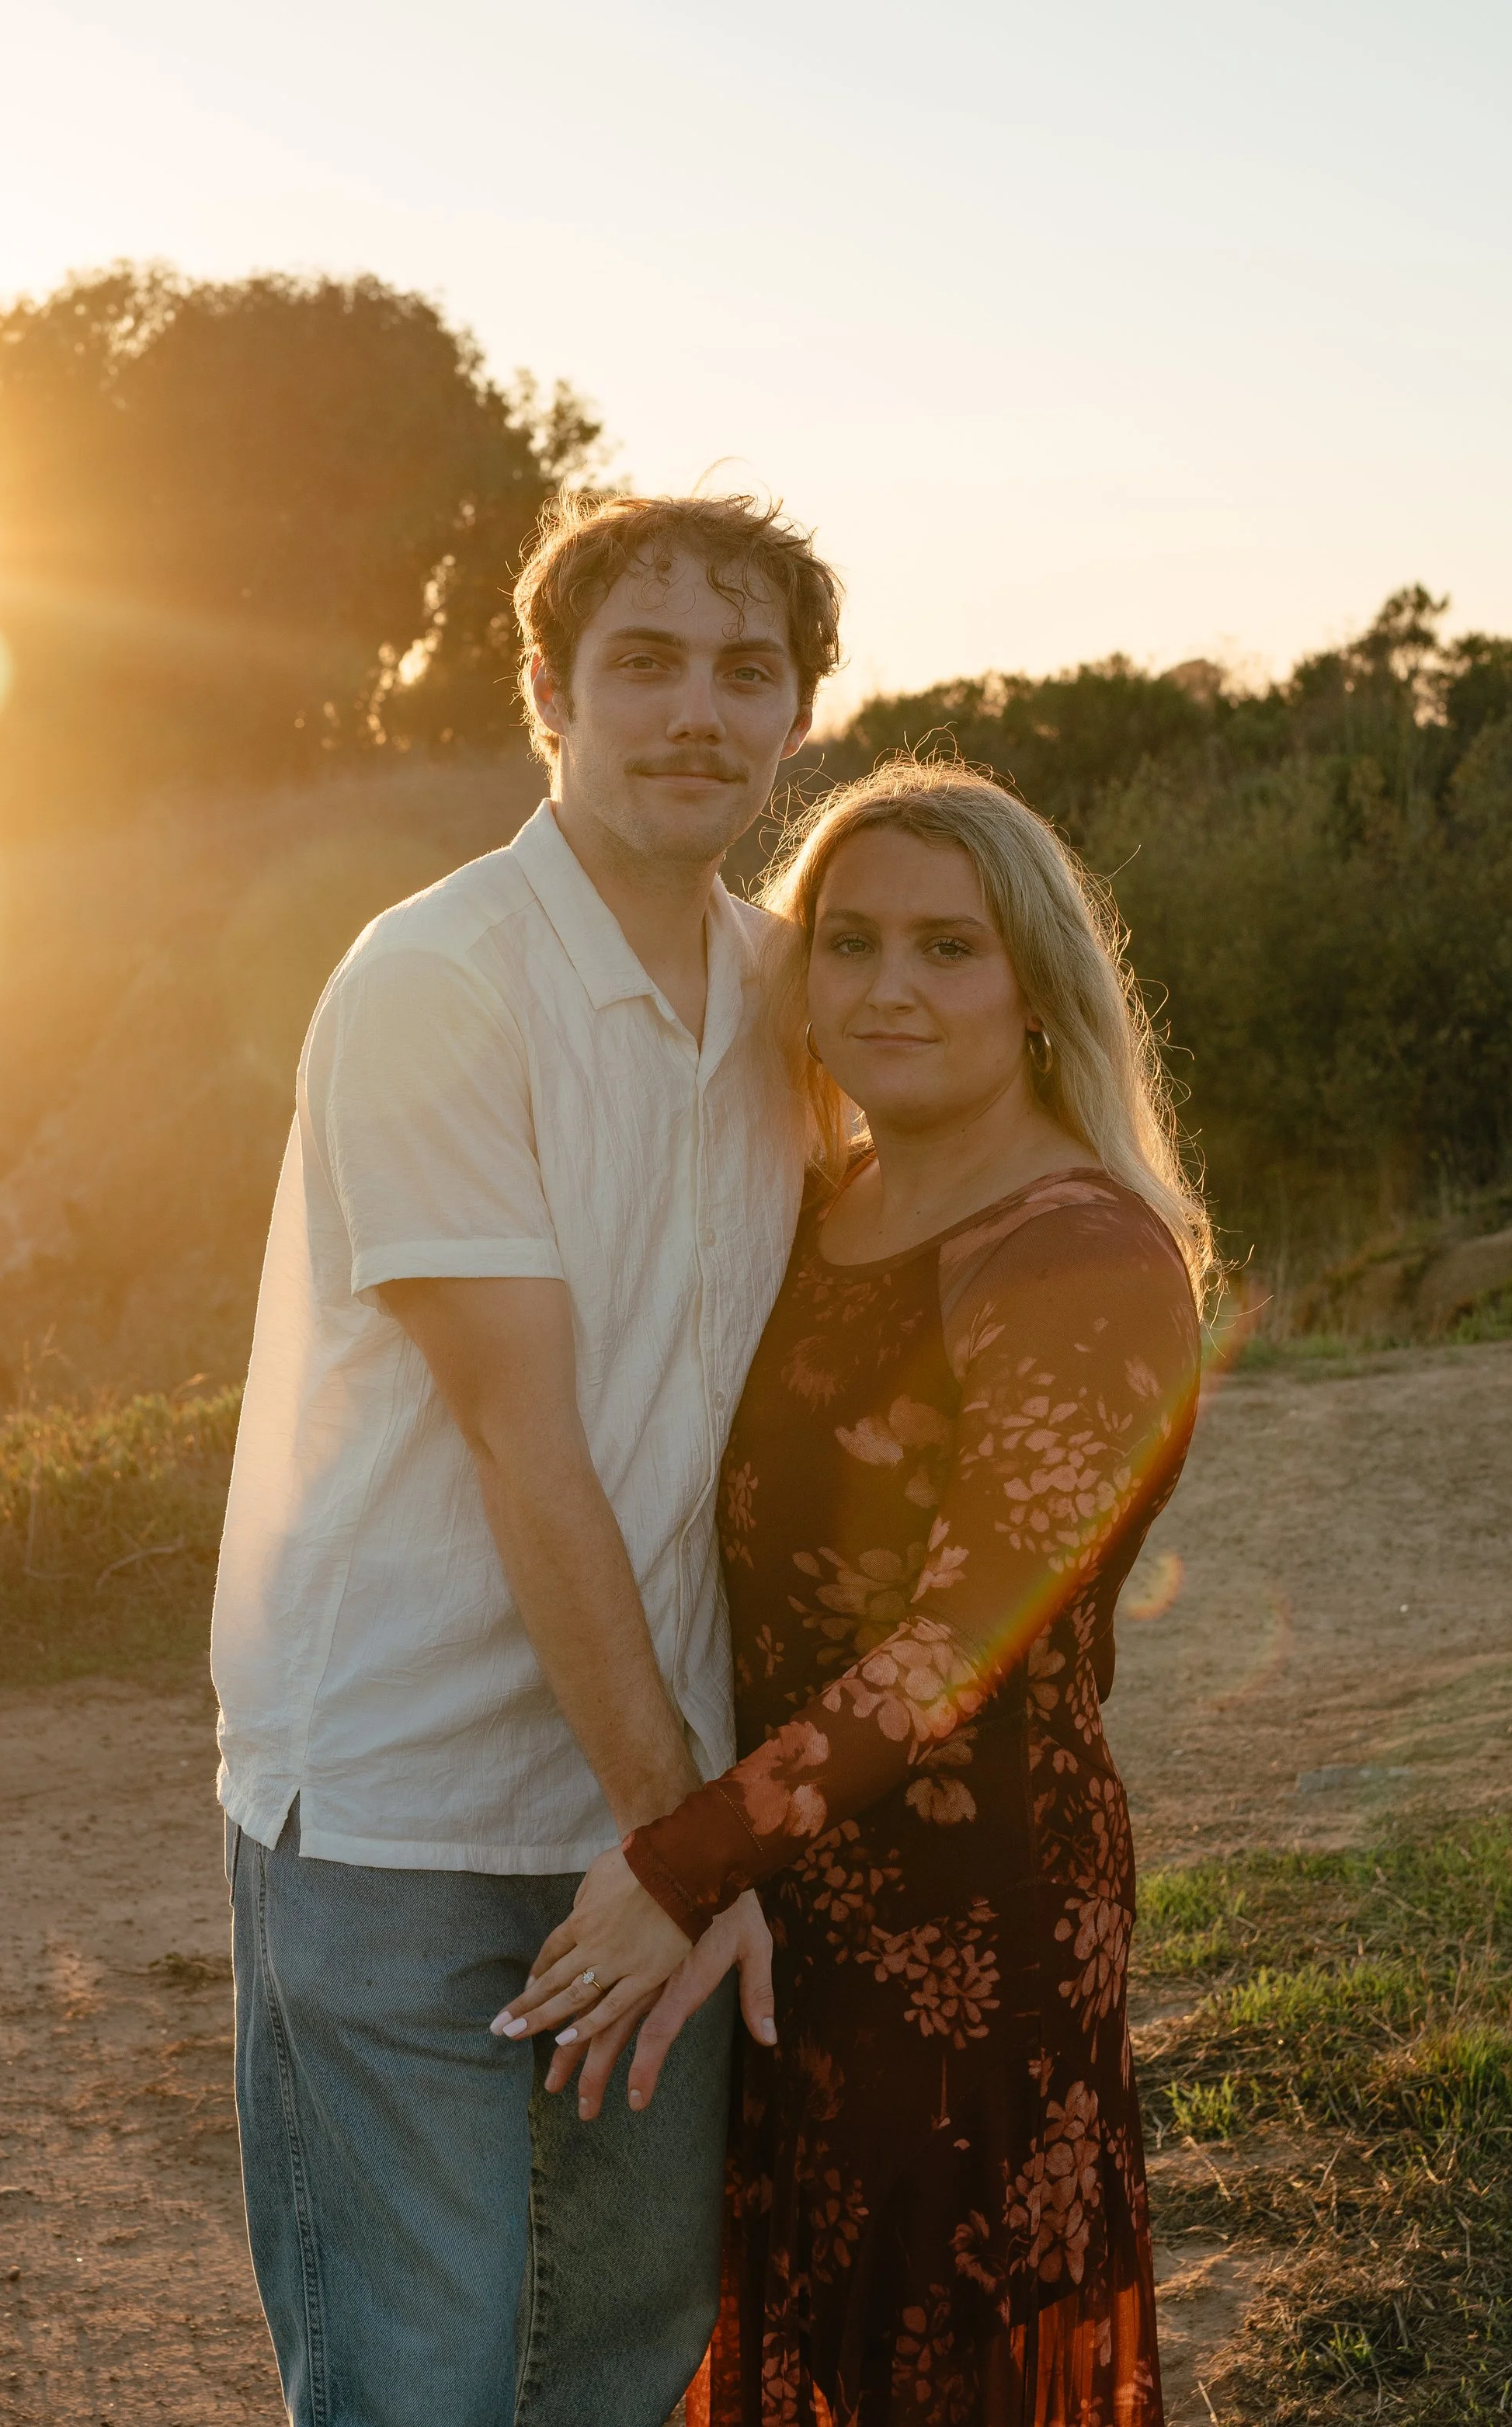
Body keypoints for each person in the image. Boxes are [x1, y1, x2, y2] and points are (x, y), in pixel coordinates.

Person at [210, 492, 843, 2427]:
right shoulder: (440, 977)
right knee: (417, 2380)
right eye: (641, 661)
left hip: (638, 1787)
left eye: (748, 670)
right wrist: (691, 1833)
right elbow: (524, 1441)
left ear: (803, 712)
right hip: (399, 1809)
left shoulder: (784, 992)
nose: (694, 711)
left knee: (616, 2357)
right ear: (550, 690)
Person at [500, 762, 1214, 2425]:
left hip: (971, 1912)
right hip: (788, 1892)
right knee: (795, 2322)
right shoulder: (825, 1203)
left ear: (1036, 983)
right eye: (849, 940)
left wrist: (678, 1859)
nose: (889, 985)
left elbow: (958, 1644)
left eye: (947, 946)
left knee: (924, 2355)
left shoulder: (1081, 1254)